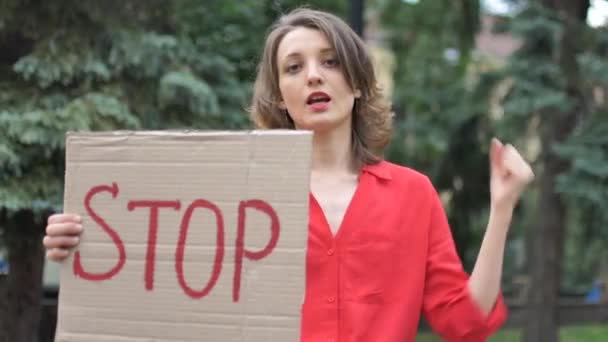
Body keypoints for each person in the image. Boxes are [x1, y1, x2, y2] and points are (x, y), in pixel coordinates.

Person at [43, 7, 534, 342]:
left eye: (330, 61)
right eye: (293, 67)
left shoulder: (413, 193)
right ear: (278, 95)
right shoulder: (235, 195)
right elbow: (164, 282)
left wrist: (502, 207)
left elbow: (466, 322)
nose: (314, 76)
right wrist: (84, 245)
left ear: (358, 82)